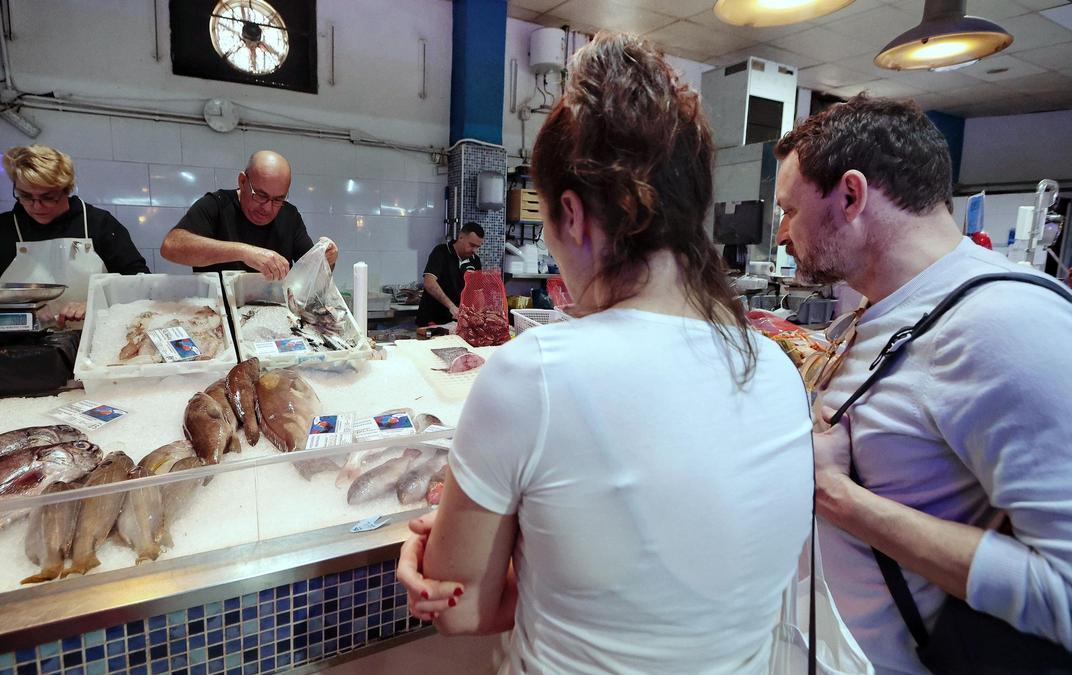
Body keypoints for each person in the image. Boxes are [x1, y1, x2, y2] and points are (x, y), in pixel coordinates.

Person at [395, 33, 813, 673]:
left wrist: (470, 552)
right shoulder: (777, 370)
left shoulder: (528, 377)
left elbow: (460, 610)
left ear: (572, 214)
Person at [775, 95, 1072, 672]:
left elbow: (1064, 591)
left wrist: (839, 500)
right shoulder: (882, 306)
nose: (783, 233)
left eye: (789, 209)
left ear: (852, 196)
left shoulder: (1008, 326)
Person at [0, 144, 149, 325]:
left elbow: (138, 281)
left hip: (94, 339)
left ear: (67, 189)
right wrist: (14, 309)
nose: (36, 206)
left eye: (48, 197)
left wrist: (95, 304)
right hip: (20, 345)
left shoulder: (98, 224)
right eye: (26, 196)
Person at [160, 150, 337, 279]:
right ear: (243, 181)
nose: (267, 208)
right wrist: (244, 252)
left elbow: (312, 275)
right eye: (260, 195)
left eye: (278, 199)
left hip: (274, 317)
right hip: (217, 315)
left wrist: (326, 260)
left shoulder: (289, 215)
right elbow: (171, 246)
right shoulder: (217, 204)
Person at [416, 222, 484, 326]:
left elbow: (477, 292)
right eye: (472, 245)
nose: (474, 250)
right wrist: (451, 307)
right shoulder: (441, 252)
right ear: (461, 237)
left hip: (456, 323)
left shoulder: (476, 261)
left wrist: (479, 313)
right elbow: (429, 282)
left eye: (477, 247)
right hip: (432, 321)